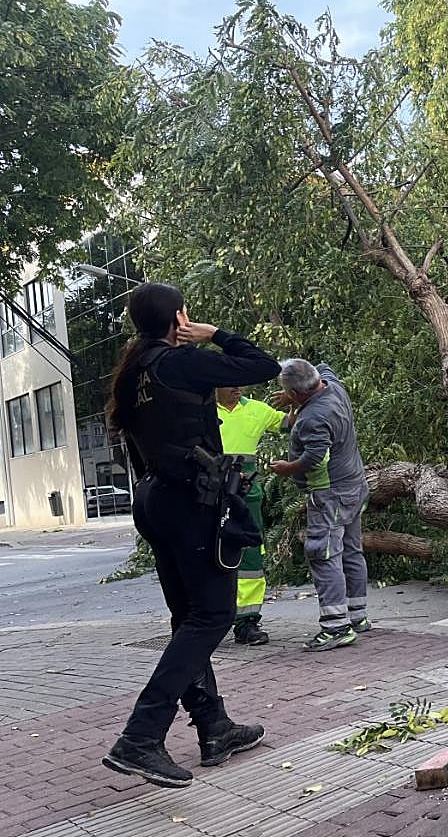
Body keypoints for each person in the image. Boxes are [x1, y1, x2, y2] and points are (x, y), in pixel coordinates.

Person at [103, 283, 281, 788]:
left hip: (155, 501)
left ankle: (213, 726)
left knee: (189, 616)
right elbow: (262, 366)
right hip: (189, 501)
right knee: (214, 614)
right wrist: (216, 334)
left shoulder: (133, 371)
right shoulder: (178, 363)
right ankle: (140, 736)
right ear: (178, 317)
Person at [269, 359, 369, 652]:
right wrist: (292, 393)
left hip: (331, 494)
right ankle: (357, 615)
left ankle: (336, 626)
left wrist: (288, 468)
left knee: (323, 553)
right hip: (355, 485)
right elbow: (324, 365)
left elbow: (314, 456)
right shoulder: (334, 387)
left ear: (299, 395)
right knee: (351, 549)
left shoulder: (313, 417)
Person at [216, 385, 293, 646]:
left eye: (240, 382)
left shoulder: (257, 410)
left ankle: (247, 623)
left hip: (247, 496)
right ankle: (206, 621)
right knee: (207, 555)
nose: (237, 388)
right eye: (230, 383)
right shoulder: (201, 411)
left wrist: (296, 396)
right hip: (210, 495)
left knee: (250, 559)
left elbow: (293, 423)